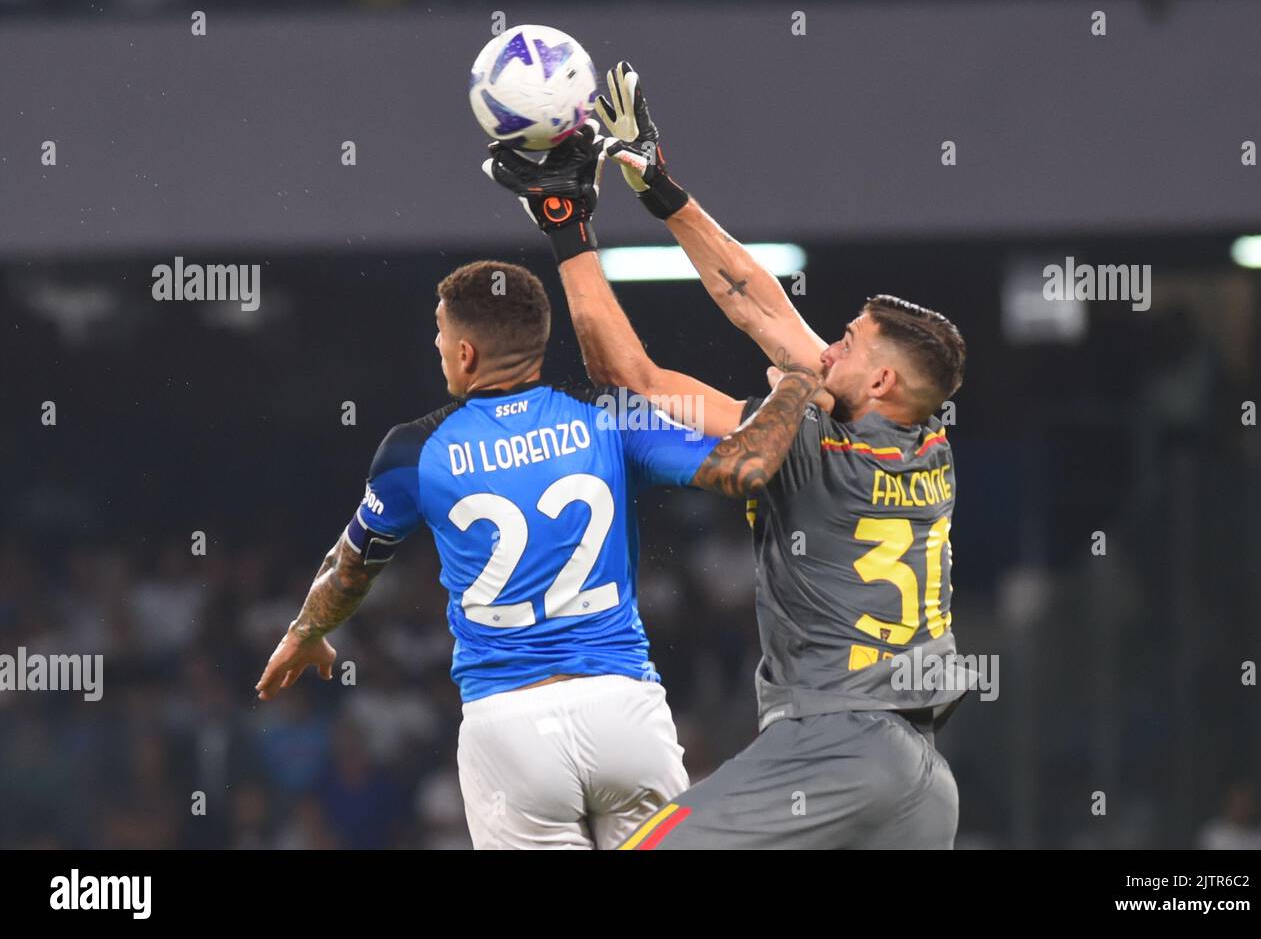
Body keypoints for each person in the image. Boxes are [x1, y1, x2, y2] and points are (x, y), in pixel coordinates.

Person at [484, 65, 973, 848]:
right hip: (922, 780)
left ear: (879, 378)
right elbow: (756, 300)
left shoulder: (811, 444)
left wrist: (566, 225)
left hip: (834, 748)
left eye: (844, 342)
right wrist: (663, 190)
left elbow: (630, 377)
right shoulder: (926, 441)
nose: (824, 345)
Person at [254, 242, 824, 848]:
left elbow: (350, 568)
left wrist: (306, 633)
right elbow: (745, 467)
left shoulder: (414, 450)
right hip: (623, 711)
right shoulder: (607, 415)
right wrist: (798, 383)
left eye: (441, 335)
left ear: (466, 353)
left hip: (509, 726)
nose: (438, 346)